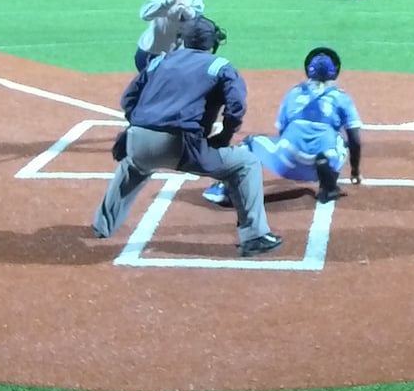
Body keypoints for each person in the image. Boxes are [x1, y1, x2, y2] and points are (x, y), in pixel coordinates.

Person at [93, 16, 283, 258]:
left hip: (138, 140)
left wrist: (133, 130)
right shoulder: (220, 66)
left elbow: (128, 99)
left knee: (132, 166)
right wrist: (225, 135)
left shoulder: (159, 61)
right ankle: (254, 236)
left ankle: (102, 225)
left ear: (183, 40)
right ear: (213, 43)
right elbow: (236, 106)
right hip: (181, 145)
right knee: (246, 164)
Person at [205, 45, 364, 207]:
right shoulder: (341, 97)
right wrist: (355, 172)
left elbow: (282, 130)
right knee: (341, 141)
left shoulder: (294, 92)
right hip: (324, 163)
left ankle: (223, 189)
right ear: (334, 72)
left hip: (286, 161)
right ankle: (328, 186)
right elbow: (355, 140)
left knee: (250, 143)